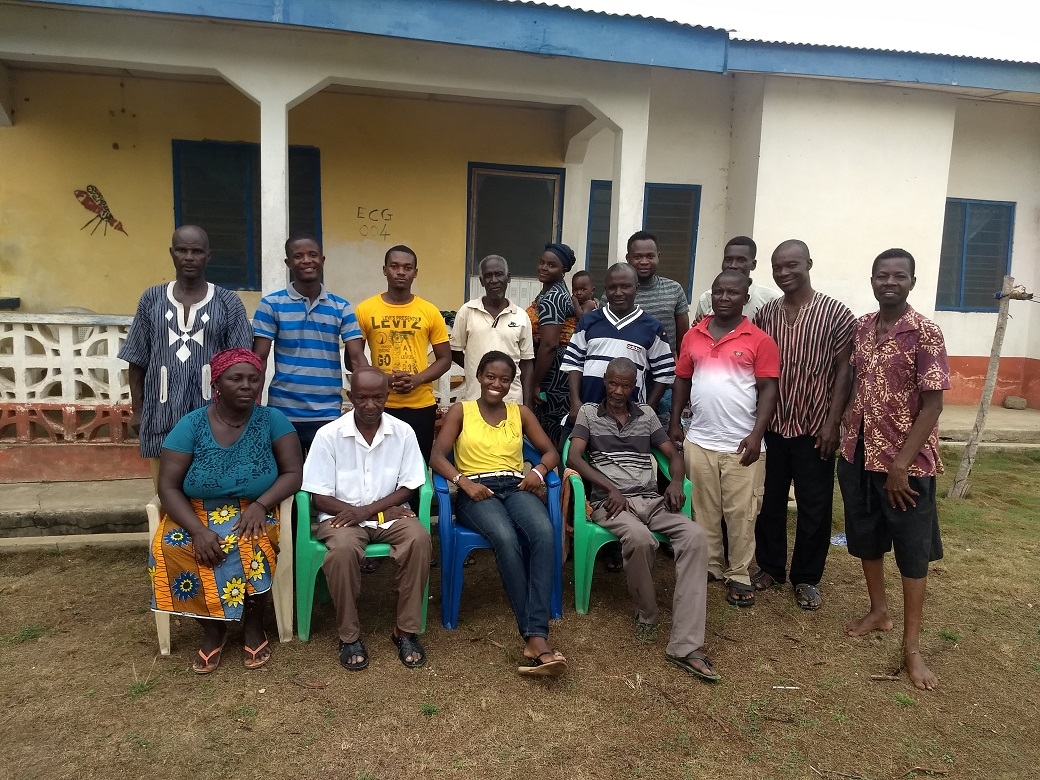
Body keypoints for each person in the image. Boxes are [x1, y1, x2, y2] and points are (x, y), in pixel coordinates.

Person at [149, 348, 303, 673]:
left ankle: (253, 624)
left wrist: (262, 504)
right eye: (236, 378)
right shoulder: (191, 424)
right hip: (195, 512)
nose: (247, 385)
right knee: (174, 545)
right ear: (217, 383)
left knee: (250, 543)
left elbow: (293, 473)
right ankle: (212, 628)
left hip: (254, 509)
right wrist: (197, 530)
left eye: (254, 379)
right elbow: (168, 487)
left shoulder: (273, 420)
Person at [566, 357, 718, 682]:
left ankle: (686, 645)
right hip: (611, 503)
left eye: (625, 384)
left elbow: (673, 455)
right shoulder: (589, 413)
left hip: (651, 499)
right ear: (605, 381)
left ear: (634, 384)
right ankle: (648, 614)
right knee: (639, 539)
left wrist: (676, 482)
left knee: (694, 537)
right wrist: (608, 487)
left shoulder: (647, 415)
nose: (618, 391)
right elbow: (573, 457)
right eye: (613, 383)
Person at [838, 249, 949, 691]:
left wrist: (902, 464)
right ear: (872, 280)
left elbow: (934, 403)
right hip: (858, 452)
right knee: (865, 535)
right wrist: (842, 423)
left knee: (911, 549)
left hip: (907, 465)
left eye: (899, 276)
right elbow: (853, 382)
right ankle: (879, 611)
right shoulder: (863, 327)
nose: (890, 282)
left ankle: (912, 646)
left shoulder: (926, 333)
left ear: (912, 282)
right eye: (882, 275)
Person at [430, 351, 568, 677]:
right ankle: (535, 636)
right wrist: (461, 482)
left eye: (504, 379)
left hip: (515, 486)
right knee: (506, 538)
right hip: (475, 492)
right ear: (479, 376)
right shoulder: (461, 411)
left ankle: (535, 635)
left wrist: (538, 471)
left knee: (544, 533)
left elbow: (550, 452)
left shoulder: (519, 412)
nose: (497, 384)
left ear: (511, 383)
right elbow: (437, 456)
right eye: (491, 376)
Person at [301, 367, 432, 671]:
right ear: (350, 397)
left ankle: (405, 631)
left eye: (378, 397)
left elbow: (410, 485)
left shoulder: (403, 432)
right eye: (362, 398)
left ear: (388, 396)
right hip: (339, 518)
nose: (370, 405)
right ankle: (349, 636)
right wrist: (365, 513)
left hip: (387, 518)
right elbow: (318, 497)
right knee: (342, 552)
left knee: (419, 539)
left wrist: (369, 512)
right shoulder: (328, 435)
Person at [752, 239, 856, 610]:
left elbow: (845, 370)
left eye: (791, 265)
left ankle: (807, 577)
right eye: (777, 267)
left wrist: (832, 423)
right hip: (774, 424)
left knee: (815, 505)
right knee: (770, 502)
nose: (783, 273)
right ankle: (770, 567)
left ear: (809, 263)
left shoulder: (836, 313)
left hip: (816, 426)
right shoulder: (765, 314)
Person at [669, 271, 780, 608]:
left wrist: (756, 433)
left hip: (742, 445)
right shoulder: (694, 335)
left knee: (741, 513)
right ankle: (711, 565)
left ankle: (740, 573)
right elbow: (682, 381)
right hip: (700, 440)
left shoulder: (760, 340)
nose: (724, 298)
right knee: (704, 509)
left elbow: (768, 390)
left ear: (745, 298)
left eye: (733, 293)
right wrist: (675, 422)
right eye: (718, 291)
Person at [120, 225, 253, 488]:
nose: (189, 257)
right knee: (165, 494)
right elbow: (136, 359)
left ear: (208, 256)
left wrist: (240, 417)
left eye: (196, 251)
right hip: (161, 413)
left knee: (210, 493)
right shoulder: (151, 299)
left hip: (214, 417)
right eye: (182, 250)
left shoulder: (228, 302)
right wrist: (138, 410)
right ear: (171, 253)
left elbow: (242, 365)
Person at [252, 234, 368, 457]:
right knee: (286, 479)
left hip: (328, 412)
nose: (306, 260)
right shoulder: (271, 304)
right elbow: (259, 359)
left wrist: (368, 396)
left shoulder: (341, 307)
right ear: (288, 263)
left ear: (322, 260)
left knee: (323, 482)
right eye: (298, 256)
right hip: (283, 411)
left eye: (312, 255)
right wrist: (254, 408)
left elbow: (356, 358)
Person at [355, 245, 451, 466]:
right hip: (378, 404)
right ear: (384, 270)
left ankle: (417, 504)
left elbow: (445, 358)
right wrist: (382, 379)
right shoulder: (365, 309)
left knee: (416, 468)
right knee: (377, 467)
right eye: (394, 266)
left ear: (415, 272)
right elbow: (354, 357)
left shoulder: (429, 311)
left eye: (407, 267)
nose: (401, 272)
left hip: (420, 406)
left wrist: (417, 379)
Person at [562, 263, 675, 416]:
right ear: (605, 289)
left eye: (625, 286)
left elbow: (663, 374)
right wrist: (575, 402)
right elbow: (574, 364)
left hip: (630, 420)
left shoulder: (653, 327)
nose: (618, 292)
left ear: (637, 287)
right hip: (587, 414)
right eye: (612, 287)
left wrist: (647, 410)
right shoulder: (588, 321)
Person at [450, 254, 535, 406]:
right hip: (474, 400)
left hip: (512, 401)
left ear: (508, 278)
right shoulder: (467, 311)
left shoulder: (521, 316)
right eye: (488, 275)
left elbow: (527, 363)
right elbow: (455, 351)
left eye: (499, 274)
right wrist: (478, 370)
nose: (494, 280)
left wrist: (527, 405)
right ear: (482, 281)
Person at [526, 242, 578, 445]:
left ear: (563, 270)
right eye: (541, 263)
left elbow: (549, 344)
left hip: (553, 374)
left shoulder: (553, 298)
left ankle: (555, 475)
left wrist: (535, 383)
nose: (544, 268)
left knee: (550, 434)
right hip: (558, 369)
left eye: (551, 265)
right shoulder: (552, 292)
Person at [693, 236, 780, 321]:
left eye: (741, 260)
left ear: (753, 265)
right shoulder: (707, 298)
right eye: (728, 259)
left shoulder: (770, 299)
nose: (733, 265)